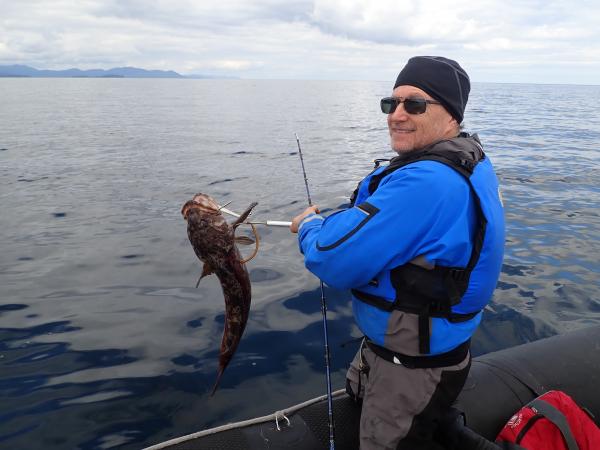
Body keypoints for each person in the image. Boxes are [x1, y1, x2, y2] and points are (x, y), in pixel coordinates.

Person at [290, 56, 505, 450]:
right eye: (391, 103)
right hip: (426, 352)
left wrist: (308, 227)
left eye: (415, 104)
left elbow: (331, 259)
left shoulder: (428, 182)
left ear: (451, 114)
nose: (397, 115)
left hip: (411, 372)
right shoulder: (464, 161)